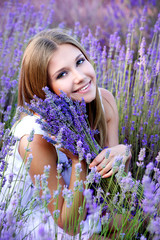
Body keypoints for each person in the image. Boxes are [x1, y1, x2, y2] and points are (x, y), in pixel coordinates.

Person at [9, 29, 131, 239]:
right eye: (62, 74)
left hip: (86, 206)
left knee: (144, 219)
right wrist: (78, 159)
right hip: (40, 220)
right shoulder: (35, 137)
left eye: (80, 61)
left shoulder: (105, 101)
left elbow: (115, 191)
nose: (80, 77)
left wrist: (122, 153)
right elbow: (70, 225)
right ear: (44, 88)